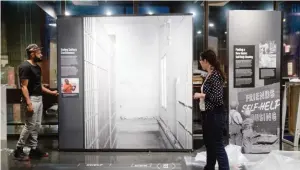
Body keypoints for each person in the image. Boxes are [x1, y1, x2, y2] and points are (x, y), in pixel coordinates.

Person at [14, 44, 59, 161]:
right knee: (29, 125)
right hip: (32, 99)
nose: (41, 54)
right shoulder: (25, 66)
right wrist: (28, 103)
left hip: (39, 99)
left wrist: (51, 92)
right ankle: (18, 149)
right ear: (32, 52)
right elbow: (24, 87)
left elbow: (39, 86)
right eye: (39, 52)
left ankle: (33, 149)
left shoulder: (37, 67)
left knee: (37, 125)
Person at [194, 49, 229, 170]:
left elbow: (218, 98)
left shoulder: (216, 75)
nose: (200, 63)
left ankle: (224, 168)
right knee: (209, 144)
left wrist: (201, 95)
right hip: (208, 114)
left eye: (201, 60)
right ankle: (209, 167)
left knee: (217, 144)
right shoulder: (209, 74)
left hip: (215, 114)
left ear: (206, 61)